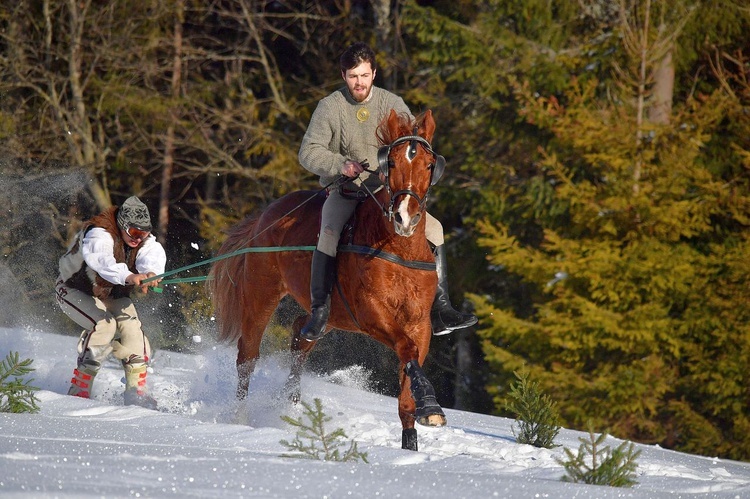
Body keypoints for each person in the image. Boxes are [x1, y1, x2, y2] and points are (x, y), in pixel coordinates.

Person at [298, 41, 477, 340]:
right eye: (353, 76)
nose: (359, 82)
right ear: (344, 76)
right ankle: (319, 311)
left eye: (365, 75)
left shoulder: (392, 103)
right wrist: (341, 164)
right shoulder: (330, 106)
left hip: (387, 195)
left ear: (374, 74)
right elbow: (307, 153)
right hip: (347, 192)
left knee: (436, 230)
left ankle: (442, 309)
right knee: (328, 233)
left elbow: (412, 147)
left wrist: (400, 171)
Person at [55, 196, 166, 409]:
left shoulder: (143, 240)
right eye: (134, 233)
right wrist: (129, 277)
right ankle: (79, 389)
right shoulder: (98, 233)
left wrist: (149, 272)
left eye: (143, 233)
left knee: (133, 329)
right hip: (73, 289)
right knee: (105, 325)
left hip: (109, 294)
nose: (138, 238)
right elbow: (103, 262)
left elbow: (152, 255)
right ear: (122, 226)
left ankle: (136, 393)